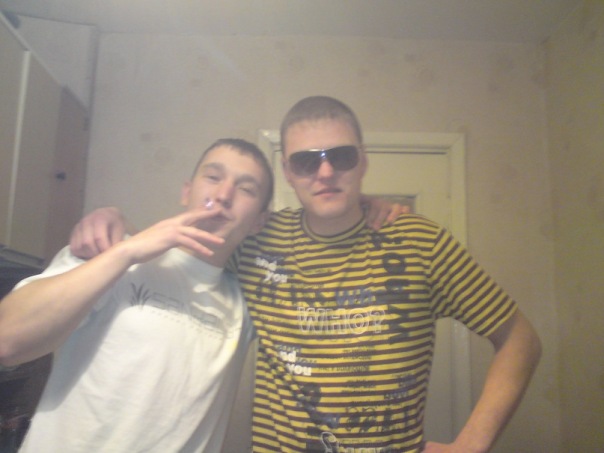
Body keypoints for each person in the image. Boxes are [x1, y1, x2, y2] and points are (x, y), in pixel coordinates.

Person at [69, 96, 542, 453]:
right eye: (306, 160)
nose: (325, 171)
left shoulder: (420, 241)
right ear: (289, 173)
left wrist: (472, 443)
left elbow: (520, 339)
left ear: (363, 161)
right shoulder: (256, 241)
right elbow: (179, 250)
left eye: (342, 156)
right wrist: (115, 221)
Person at [0, 138, 274, 452]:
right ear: (187, 192)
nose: (223, 195)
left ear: (259, 221)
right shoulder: (110, 250)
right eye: (213, 177)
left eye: (246, 189)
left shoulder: (248, 306)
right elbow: (7, 340)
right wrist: (126, 252)